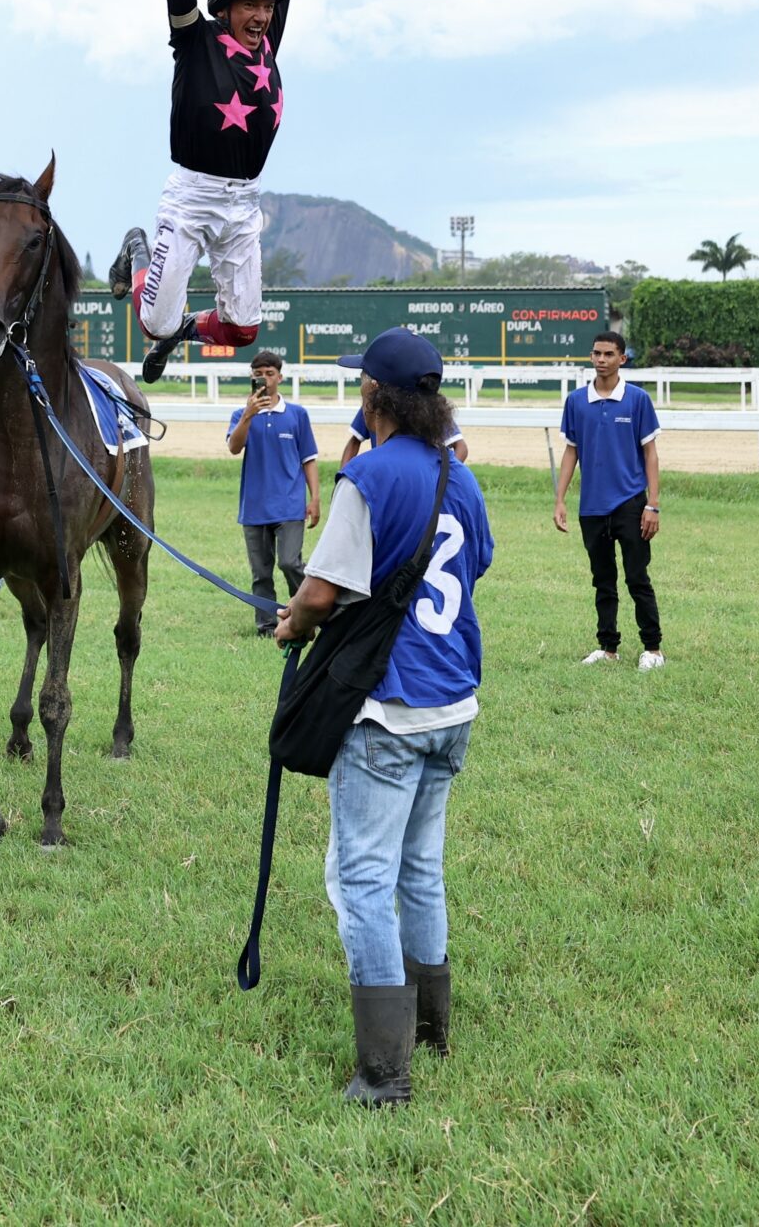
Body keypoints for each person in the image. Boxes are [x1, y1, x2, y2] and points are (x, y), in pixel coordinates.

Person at [275, 327, 494, 1108]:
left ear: (374, 395)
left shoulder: (367, 473)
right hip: (454, 701)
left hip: (387, 709)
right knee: (420, 868)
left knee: (361, 878)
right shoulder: (459, 477)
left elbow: (321, 590)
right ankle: (432, 1030)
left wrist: (294, 623)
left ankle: (383, 1072)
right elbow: (476, 564)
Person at [107, 0, 294, 385]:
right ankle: (138, 250)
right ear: (224, 9)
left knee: (243, 330)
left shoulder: (267, 42)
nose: (262, 16)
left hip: (244, 202)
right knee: (153, 324)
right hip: (191, 199)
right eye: (250, 6)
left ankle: (183, 331)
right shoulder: (194, 40)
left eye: (268, 6)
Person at [552, 330, 664, 669]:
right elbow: (571, 452)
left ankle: (653, 649)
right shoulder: (576, 401)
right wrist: (560, 499)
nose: (601, 360)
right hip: (592, 507)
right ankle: (608, 648)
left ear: (622, 359)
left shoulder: (637, 400)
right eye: (597, 354)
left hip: (631, 503)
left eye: (609, 354)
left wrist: (652, 504)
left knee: (637, 578)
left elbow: (651, 454)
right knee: (602, 580)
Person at [227, 349, 321, 637]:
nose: (264, 379)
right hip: (254, 506)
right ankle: (267, 626)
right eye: (258, 374)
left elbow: (308, 459)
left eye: (270, 374)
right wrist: (248, 415)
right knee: (261, 573)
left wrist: (315, 498)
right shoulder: (241, 415)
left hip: (290, 504)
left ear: (280, 377)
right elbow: (234, 447)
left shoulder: (297, 415)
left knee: (290, 562)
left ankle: (308, 611)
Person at [339, 406, 467, 468]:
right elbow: (354, 441)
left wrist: (442, 477)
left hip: (419, 480)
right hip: (384, 477)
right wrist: (343, 478)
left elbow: (461, 447)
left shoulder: (428, 405)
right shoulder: (370, 406)